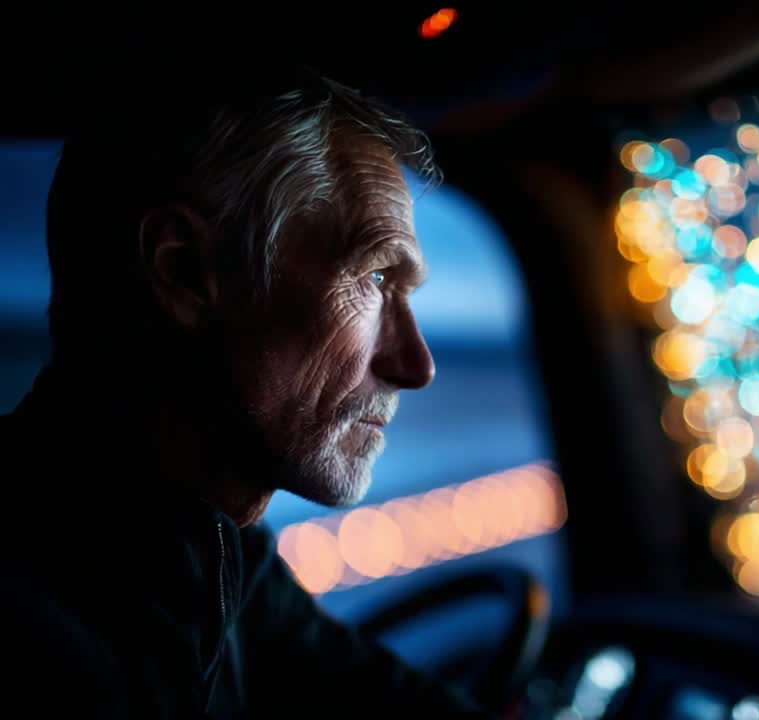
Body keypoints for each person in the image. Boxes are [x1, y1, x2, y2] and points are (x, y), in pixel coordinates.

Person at [0, 60, 491, 718]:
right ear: (184, 272)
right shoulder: (33, 634)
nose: (415, 365)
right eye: (374, 278)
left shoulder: (217, 554)